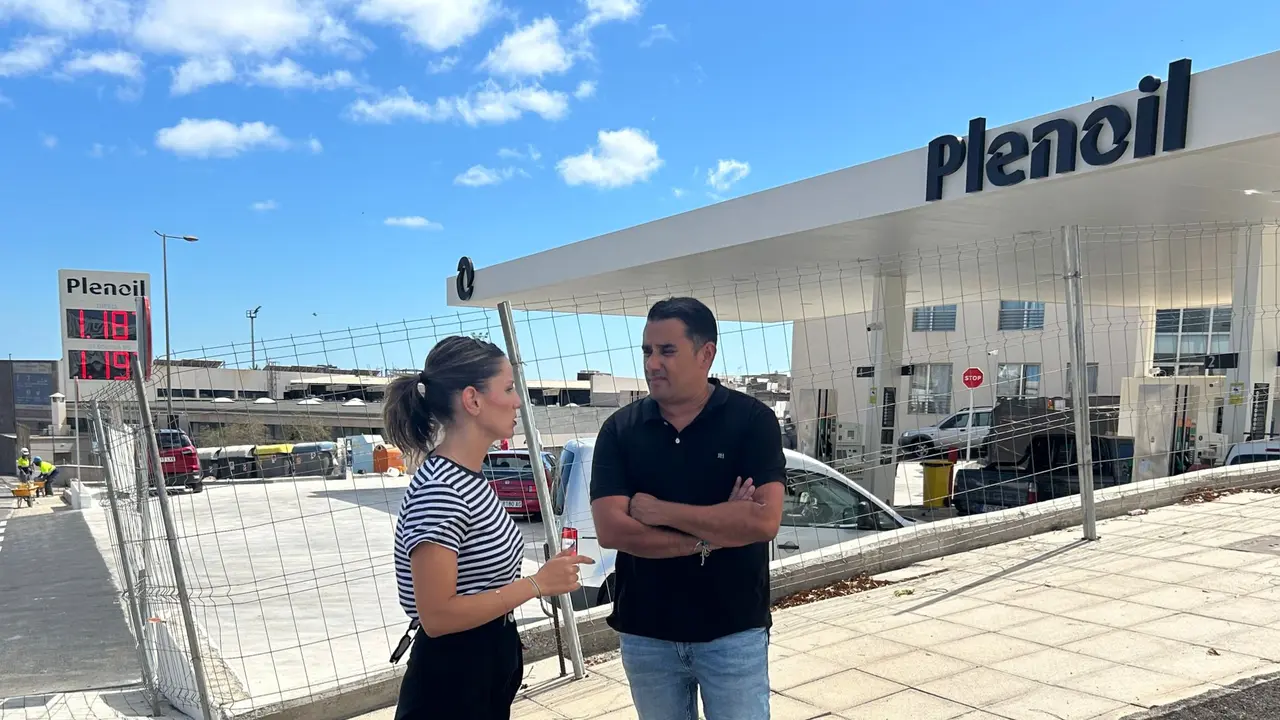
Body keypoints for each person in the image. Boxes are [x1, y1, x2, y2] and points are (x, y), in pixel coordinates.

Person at [590, 297, 786, 720]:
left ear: (706, 354)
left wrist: (660, 511)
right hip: (646, 634)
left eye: (666, 351)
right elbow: (613, 531)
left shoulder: (752, 421)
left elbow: (763, 520)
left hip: (733, 632)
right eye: (647, 351)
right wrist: (712, 535)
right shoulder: (620, 430)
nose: (652, 363)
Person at [383, 335, 594, 720]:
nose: (517, 401)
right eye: (509, 388)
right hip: (453, 684)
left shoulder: (468, 478)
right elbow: (438, 616)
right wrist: (537, 585)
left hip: (479, 670)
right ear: (472, 400)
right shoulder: (441, 490)